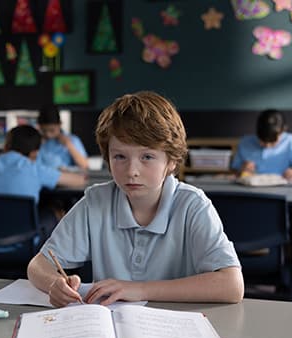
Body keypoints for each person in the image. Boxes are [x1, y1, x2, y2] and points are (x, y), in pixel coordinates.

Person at [27, 91, 243, 307]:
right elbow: (38, 265)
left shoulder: (193, 205)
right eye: (120, 156)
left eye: (147, 157)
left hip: (175, 326)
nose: (132, 171)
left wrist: (139, 289)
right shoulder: (96, 201)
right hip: (109, 328)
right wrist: (54, 283)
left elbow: (232, 285)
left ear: (172, 161)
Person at [0, 124, 86, 241]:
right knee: (55, 211)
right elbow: (78, 181)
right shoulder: (35, 168)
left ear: (5, 146)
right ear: (34, 153)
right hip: (23, 240)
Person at [230, 109, 292, 182]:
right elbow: (233, 172)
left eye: (272, 141)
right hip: (250, 192)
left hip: (283, 191)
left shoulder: (291, 142)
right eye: (262, 141)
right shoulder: (245, 142)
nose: (267, 146)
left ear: (283, 130)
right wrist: (241, 170)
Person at [36, 104, 89, 170]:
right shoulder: (35, 140)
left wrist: (69, 146)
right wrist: (37, 146)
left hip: (65, 178)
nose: (48, 134)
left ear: (60, 124)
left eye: (52, 130)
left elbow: (85, 165)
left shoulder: (72, 140)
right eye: (44, 131)